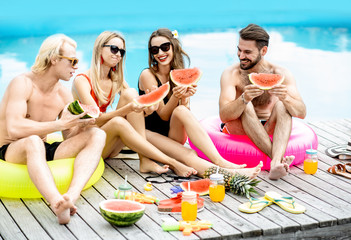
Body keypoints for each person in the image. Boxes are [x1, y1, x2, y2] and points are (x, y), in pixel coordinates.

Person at [0, 34, 107, 224]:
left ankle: (70, 197)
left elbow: (69, 137)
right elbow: (14, 128)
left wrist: (81, 125)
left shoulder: (62, 94)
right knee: (34, 140)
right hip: (9, 149)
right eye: (72, 61)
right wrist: (59, 124)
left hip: (42, 149)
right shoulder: (22, 83)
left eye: (77, 61)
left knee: (97, 135)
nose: (76, 66)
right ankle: (56, 202)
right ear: (54, 59)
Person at [138, 28, 262, 178]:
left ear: (173, 46)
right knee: (189, 153)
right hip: (150, 136)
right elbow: (163, 115)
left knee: (182, 111)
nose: (160, 53)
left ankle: (220, 161)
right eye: (154, 49)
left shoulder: (180, 72)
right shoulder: (148, 75)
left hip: (173, 134)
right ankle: (230, 174)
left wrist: (185, 98)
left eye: (165, 47)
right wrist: (176, 96)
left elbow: (184, 112)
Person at [72, 31, 198, 177]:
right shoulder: (82, 80)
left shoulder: (116, 80)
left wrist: (150, 109)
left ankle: (144, 159)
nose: (118, 54)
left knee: (131, 93)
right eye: (114, 49)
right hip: (89, 142)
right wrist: (128, 108)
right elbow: (96, 119)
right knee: (119, 120)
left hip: (109, 144)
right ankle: (172, 162)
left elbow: (136, 110)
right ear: (100, 48)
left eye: (121, 51)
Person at [219, 24, 306, 180]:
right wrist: (244, 99)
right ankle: (277, 160)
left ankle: (274, 165)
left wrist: (285, 97)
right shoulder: (231, 73)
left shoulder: (281, 73)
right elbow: (224, 116)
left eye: (247, 52)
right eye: (239, 49)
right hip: (240, 129)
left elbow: (301, 112)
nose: (241, 55)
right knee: (246, 106)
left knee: (282, 105)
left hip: (269, 127)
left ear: (263, 51)